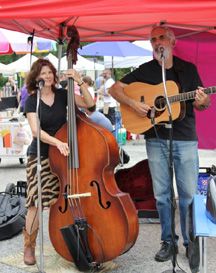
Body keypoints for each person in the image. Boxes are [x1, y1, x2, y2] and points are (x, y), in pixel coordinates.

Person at [109, 26, 210, 262]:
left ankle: (190, 242)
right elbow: (115, 89)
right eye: (153, 39)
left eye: (161, 37)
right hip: (155, 140)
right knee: (162, 195)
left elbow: (201, 105)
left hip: (184, 139)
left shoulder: (188, 70)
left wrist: (203, 101)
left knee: (187, 195)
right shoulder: (145, 71)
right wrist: (133, 104)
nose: (157, 42)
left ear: (172, 41)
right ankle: (168, 242)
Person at [23, 58, 95, 266]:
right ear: (35, 78)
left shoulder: (64, 95)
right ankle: (29, 246)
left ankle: (72, 243)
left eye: (49, 73)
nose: (46, 76)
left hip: (63, 157)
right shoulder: (32, 100)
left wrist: (80, 81)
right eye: (42, 73)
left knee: (64, 201)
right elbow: (36, 131)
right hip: (41, 155)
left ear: (54, 76)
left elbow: (90, 105)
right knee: (35, 203)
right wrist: (57, 143)